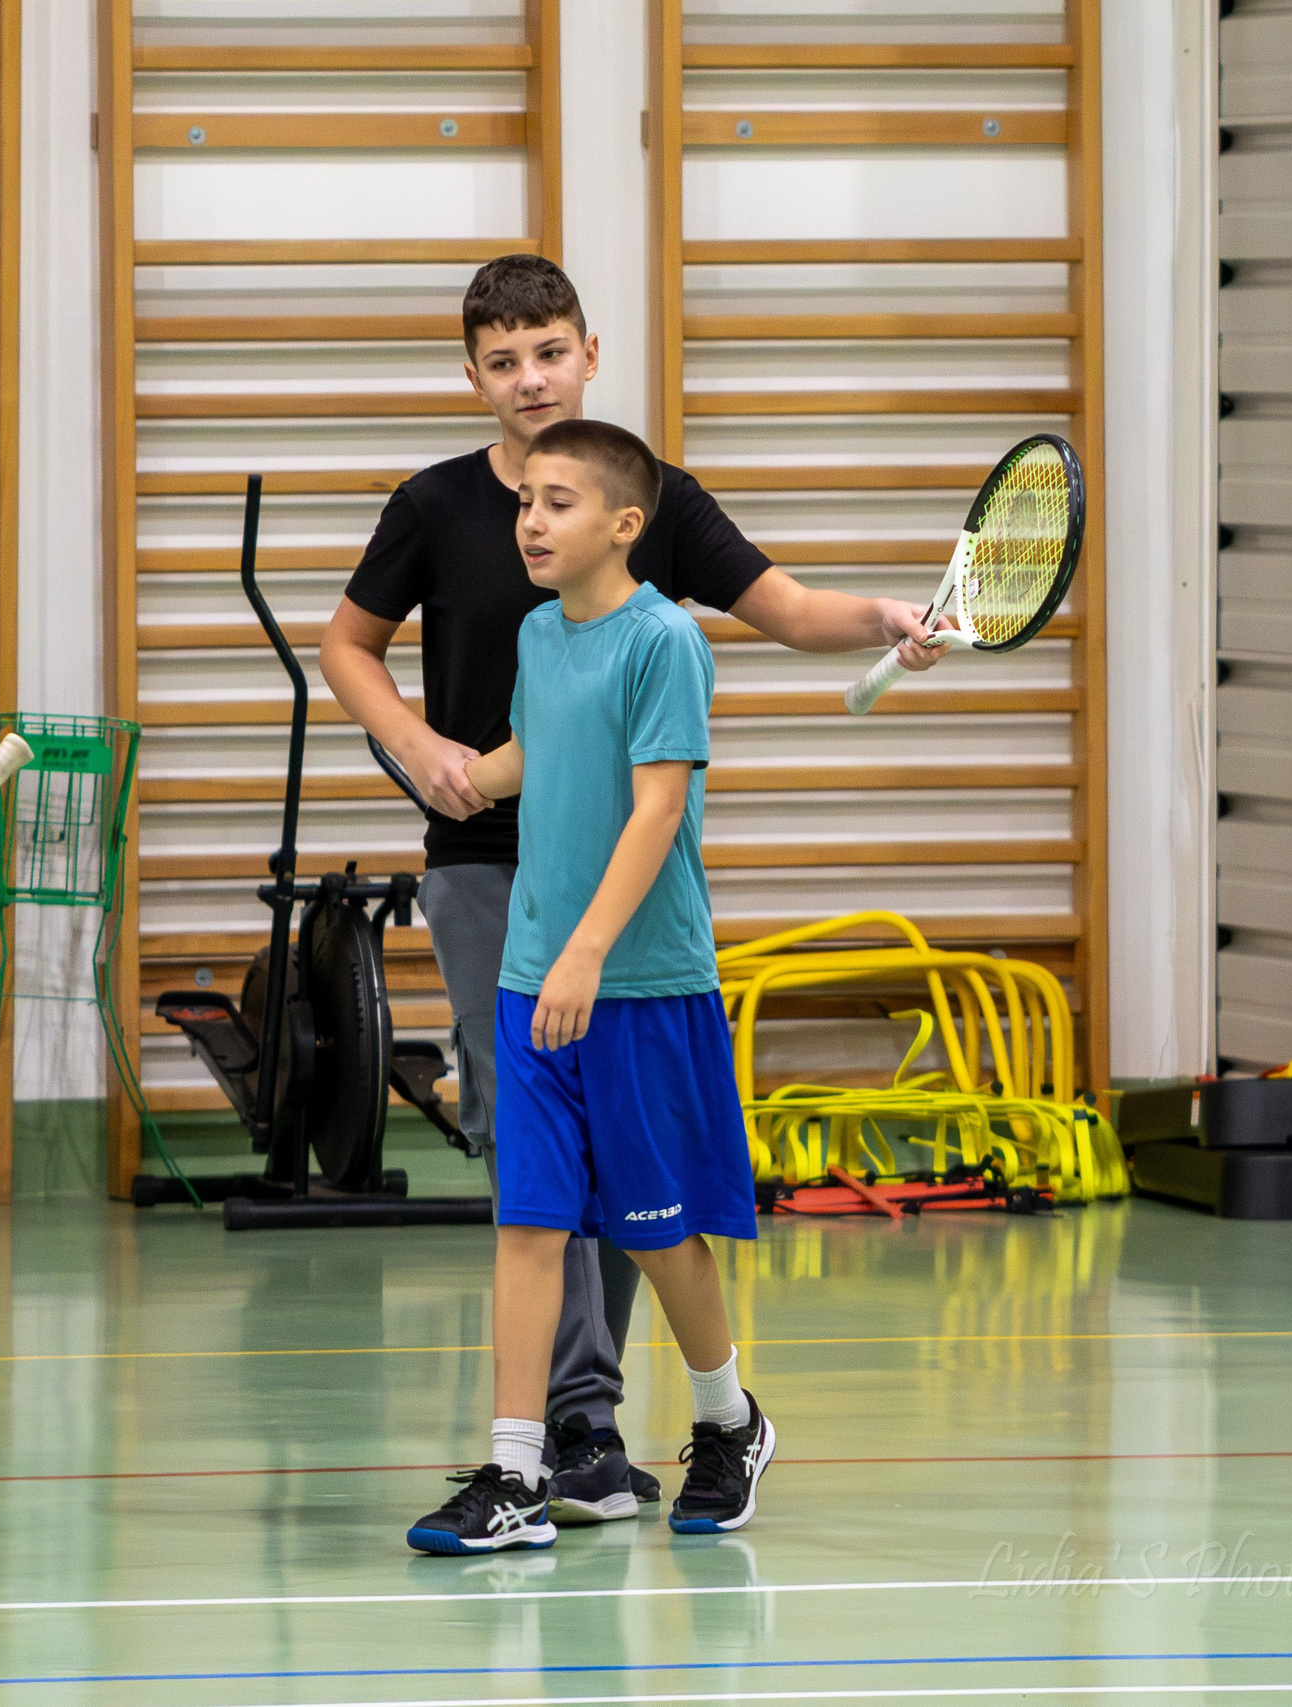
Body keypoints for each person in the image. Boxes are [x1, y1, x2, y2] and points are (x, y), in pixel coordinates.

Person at [321, 254, 941, 1524]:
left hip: (622, 916)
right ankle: (549, 1443)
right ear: (474, 377)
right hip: (497, 885)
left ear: (587, 354)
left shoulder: (651, 556)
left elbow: (774, 616)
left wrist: (884, 614)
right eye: (502, 361)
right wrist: (426, 755)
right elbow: (381, 663)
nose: (529, 378)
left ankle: (626, 1423)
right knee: (529, 1166)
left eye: (547, 352)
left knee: (633, 1196)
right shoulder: (450, 515)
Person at [404, 419, 767, 1554]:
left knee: (656, 1230)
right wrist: (468, 774)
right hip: (534, 977)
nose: (530, 520)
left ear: (624, 524)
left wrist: (589, 949)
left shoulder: (664, 641)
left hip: (636, 981)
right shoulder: (536, 633)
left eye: (558, 503)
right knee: (529, 1222)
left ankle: (727, 1420)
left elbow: (656, 806)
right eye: (525, 503)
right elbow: (536, 750)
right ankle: (515, 1474)